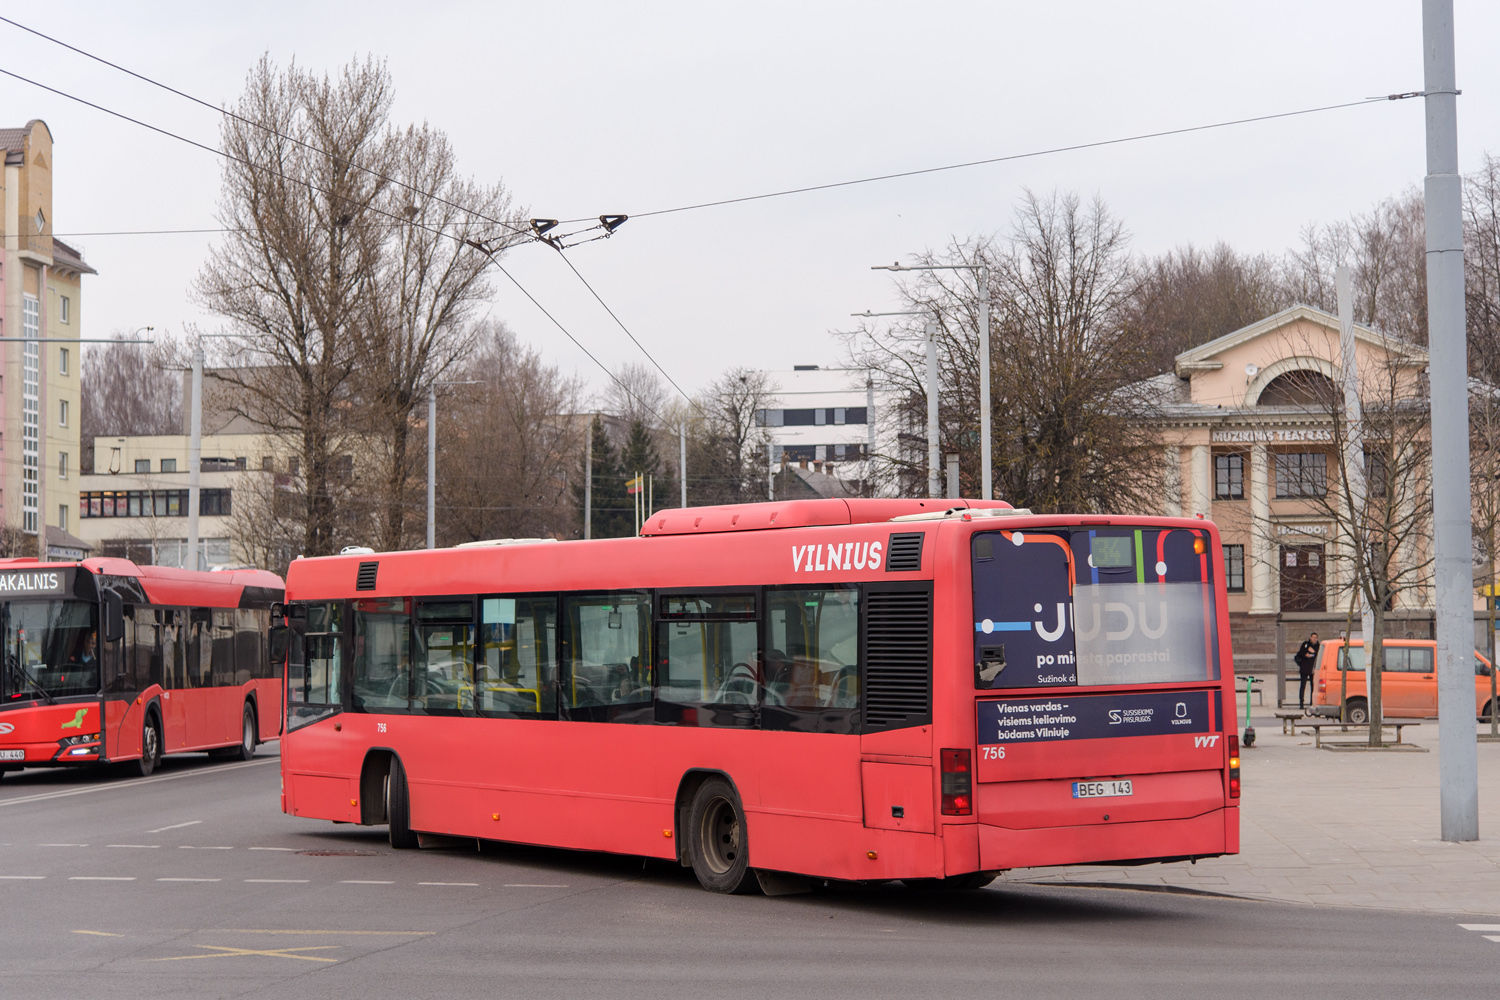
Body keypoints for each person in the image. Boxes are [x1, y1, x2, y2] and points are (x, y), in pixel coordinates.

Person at [1294, 632, 1320, 711]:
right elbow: (1300, 653)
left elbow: (1319, 655)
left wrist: (1313, 652)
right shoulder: (1305, 644)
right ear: (1310, 637)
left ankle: (1312, 702)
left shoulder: (1318, 646)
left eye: (1316, 637)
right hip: (1305, 668)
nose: (1314, 639)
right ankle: (1301, 703)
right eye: (1313, 637)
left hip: (1313, 669)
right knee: (1303, 685)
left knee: (1313, 686)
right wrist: (1306, 653)